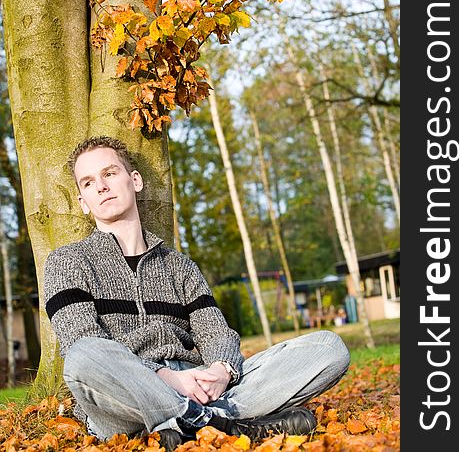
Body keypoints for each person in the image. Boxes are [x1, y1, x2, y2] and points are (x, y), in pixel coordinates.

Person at [44, 136, 350, 450]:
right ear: (83, 200)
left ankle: (193, 422)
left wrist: (221, 370)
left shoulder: (180, 266)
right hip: (125, 399)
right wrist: (165, 379)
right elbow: (81, 342)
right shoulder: (67, 262)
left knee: (329, 347)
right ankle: (221, 424)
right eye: (88, 182)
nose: (101, 186)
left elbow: (215, 332)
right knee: (84, 356)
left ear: (134, 180)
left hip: (199, 385)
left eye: (109, 173)